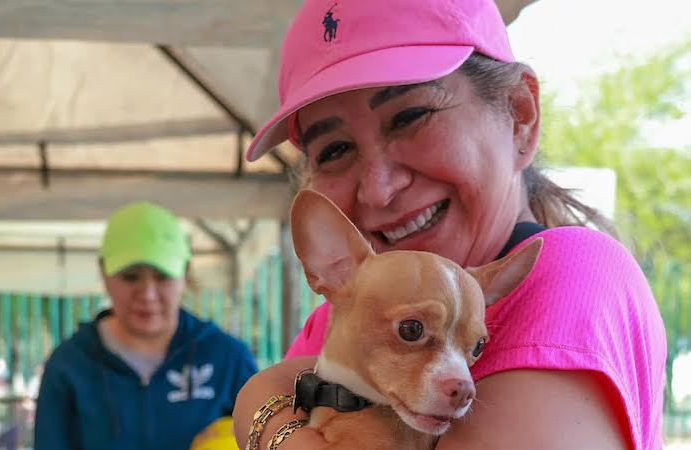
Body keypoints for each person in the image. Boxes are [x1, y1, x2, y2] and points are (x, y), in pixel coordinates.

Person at [232, 0, 667, 448]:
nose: (378, 189)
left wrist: (266, 409)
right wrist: (262, 403)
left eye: (410, 117)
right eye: (335, 150)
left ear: (519, 114)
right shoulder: (337, 311)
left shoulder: (568, 275)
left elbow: (273, 396)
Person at [34, 201, 258, 450]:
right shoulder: (69, 365)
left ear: (185, 273)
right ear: (104, 273)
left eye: (162, 277)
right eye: (130, 277)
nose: (148, 295)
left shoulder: (228, 359)